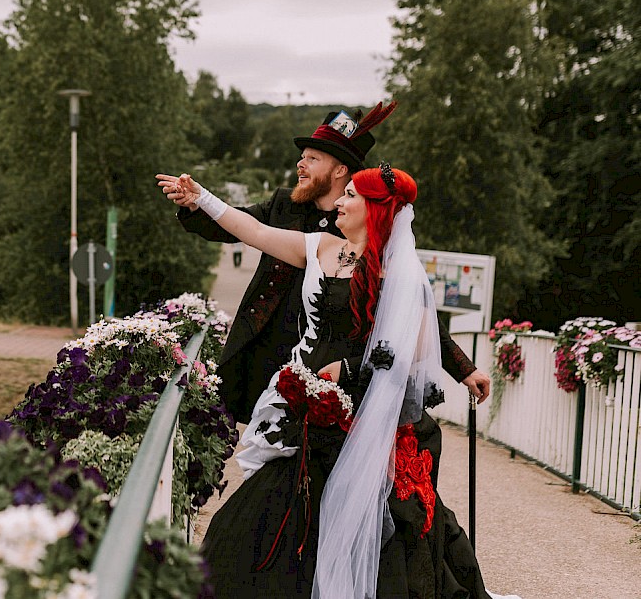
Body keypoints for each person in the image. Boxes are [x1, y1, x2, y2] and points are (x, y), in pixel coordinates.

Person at [158, 164, 517, 598]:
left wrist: (354, 372)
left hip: (363, 413)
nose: (340, 203)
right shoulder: (323, 247)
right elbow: (254, 230)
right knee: (267, 509)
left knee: (374, 521)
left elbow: (420, 348)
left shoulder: (397, 272)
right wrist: (203, 199)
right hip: (305, 405)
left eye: (350, 196)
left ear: (375, 210)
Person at [158, 103, 490, 424]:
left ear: (340, 170)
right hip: (268, 348)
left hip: (328, 368)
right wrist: (196, 203)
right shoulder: (284, 206)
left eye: (312, 159)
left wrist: (464, 368)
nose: (300, 165)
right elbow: (241, 225)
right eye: (302, 157)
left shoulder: (357, 229)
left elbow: (413, 308)